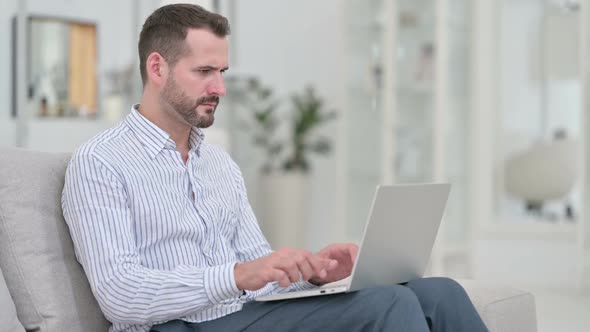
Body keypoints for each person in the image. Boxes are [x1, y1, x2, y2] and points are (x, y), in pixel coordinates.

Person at [62, 4, 488, 332]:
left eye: (222, 71)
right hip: (180, 325)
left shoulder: (220, 165)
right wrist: (235, 276)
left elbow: (258, 275)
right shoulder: (101, 163)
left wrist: (314, 275)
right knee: (390, 306)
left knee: (439, 293)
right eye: (205, 72)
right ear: (157, 68)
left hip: (241, 315)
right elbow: (119, 293)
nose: (220, 88)